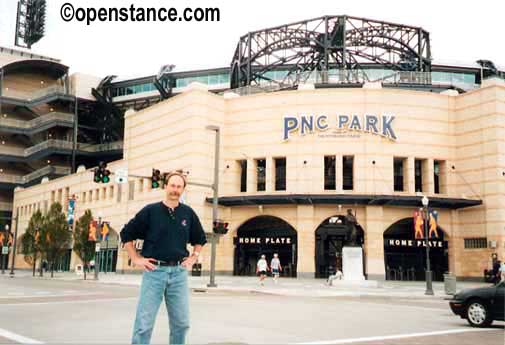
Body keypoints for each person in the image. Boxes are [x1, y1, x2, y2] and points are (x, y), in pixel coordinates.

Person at [120, 171, 207, 345]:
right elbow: (126, 234)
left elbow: (200, 239)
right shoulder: (150, 211)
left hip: (179, 274)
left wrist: (193, 257)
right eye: (172, 185)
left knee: (181, 324)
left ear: (183, 189)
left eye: (179, 187)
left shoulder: (187, 213)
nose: (175, 189)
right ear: (165, 186)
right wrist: (136, 258)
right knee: (144, 325)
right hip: (154, 272)